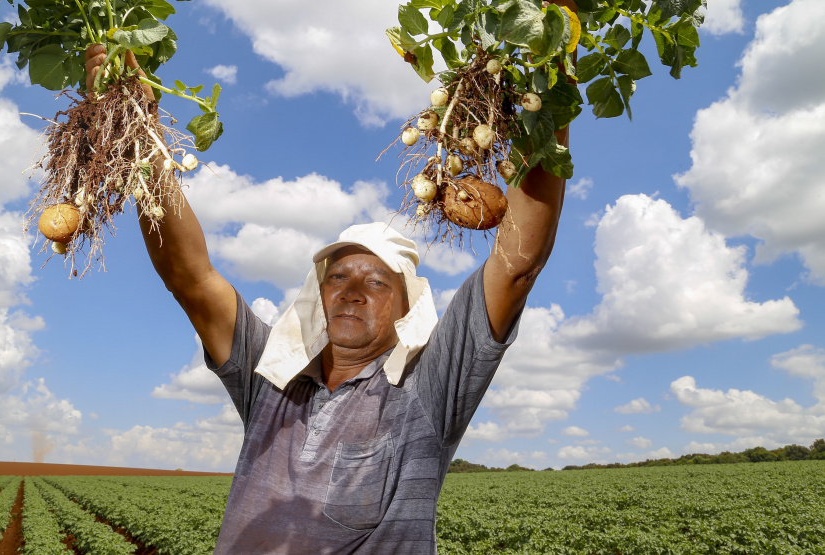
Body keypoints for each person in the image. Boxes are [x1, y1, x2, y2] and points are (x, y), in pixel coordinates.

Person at [87, 40, 566, 554]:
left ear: (408, 309)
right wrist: (134, 128)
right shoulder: (270, 378)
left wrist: (547, 59)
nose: (353, 291)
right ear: (318, 296)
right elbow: (192, 279)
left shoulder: (425, 392)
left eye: (378, 282)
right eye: (337, 278)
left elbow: (516, 265)